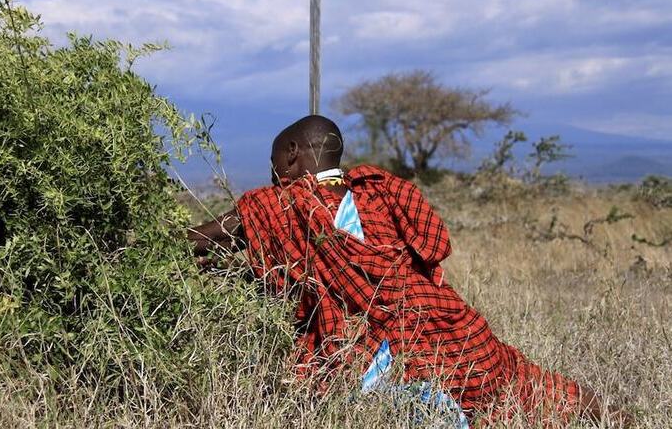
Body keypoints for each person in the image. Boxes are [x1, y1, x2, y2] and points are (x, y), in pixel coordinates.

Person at [187, 115, 630, 426]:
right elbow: (434, 243)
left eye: (272, 165)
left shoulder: (278, 203)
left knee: (384, 398)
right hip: (452, 326)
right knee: (522, 377)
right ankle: (618, 416)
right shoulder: (383, 191)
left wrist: (141, 243)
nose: (272, 176)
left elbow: (201, 240)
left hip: (379, 351)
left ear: (290, 154)